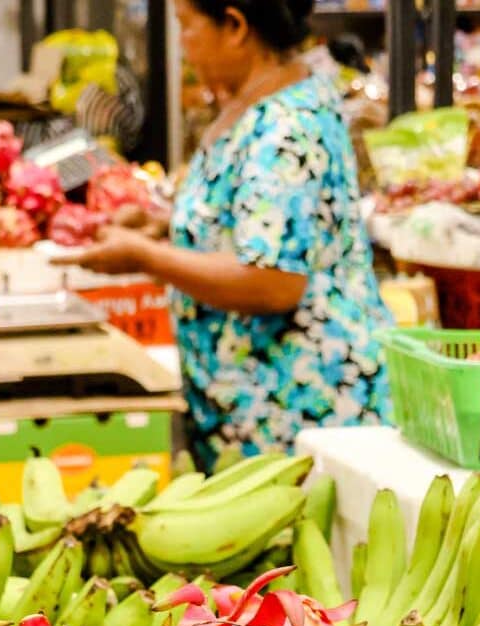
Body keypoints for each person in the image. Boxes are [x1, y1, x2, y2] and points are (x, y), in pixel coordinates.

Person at [56, 0, 393, 470]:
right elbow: (254, 218)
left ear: (234, 26)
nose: (184, 48)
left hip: (303, 414)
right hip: (254, 412)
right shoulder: (260, 102)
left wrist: (147, 257)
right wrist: (168, 223)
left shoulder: (287, 127)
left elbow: (273, 279)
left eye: (188, 29)